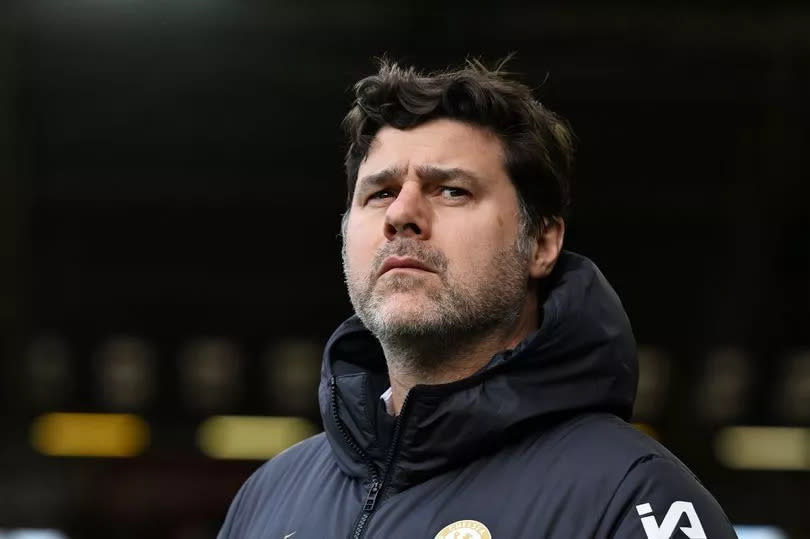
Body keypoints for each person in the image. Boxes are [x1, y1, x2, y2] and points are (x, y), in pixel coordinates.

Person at [218, 59, 736, 539]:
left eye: (451, 191)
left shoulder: (635, 498)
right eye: (379, 193)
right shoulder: (268, 497)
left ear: (541, 243)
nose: (402, 214)